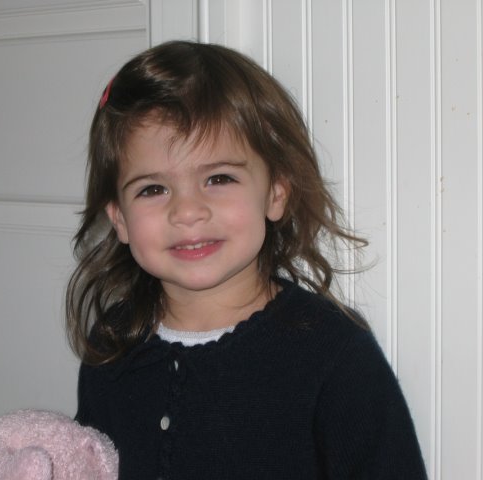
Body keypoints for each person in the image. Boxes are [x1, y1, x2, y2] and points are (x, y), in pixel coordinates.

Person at [67, 41, 427, 479]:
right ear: (120, 219)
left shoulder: (333, 353)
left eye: (219, 178)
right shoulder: (111, 346)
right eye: (153, 189)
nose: (187, 211)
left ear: (276, 192)